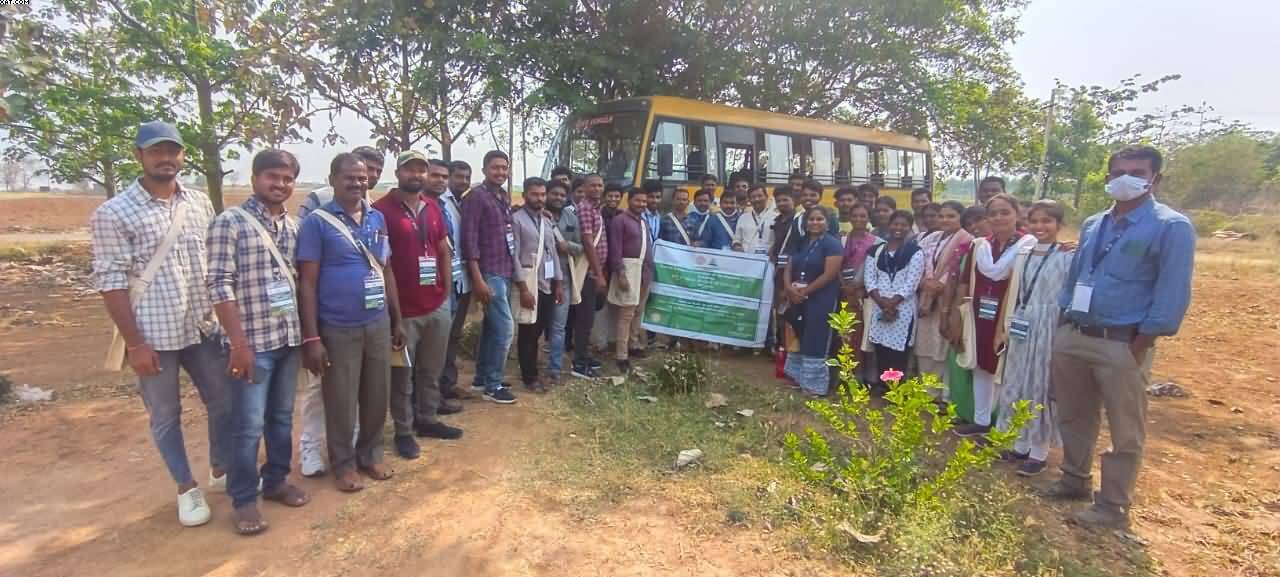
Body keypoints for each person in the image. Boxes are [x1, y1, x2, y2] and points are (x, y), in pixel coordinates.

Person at [1043, 146, 1195, 529]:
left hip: (1123, 342)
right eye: (1118, 172)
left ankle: (1112, 506)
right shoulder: (1095, 223)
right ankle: (1073, 480)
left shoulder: (1170, 226)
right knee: (1074, 414)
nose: (1125, 178)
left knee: (1125, 429)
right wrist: (1063, 324)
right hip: (1076, 333)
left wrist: (1141, 343)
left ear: (1155, 178)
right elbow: (1075, 277)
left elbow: (1172, 290)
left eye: (1136, 172)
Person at [91, 121, 231, 527]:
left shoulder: (199, 203)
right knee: (165, 414)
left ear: (182, 155)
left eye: (172, 151)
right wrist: (135, 344)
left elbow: (212, 263)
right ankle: (186, 488)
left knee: (224, 401)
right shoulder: (113, 213)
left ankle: (221, 468)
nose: (165, 159)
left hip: (202, 326)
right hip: (154, 333)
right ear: (139, 155)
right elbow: (111, 282)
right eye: (156, 151)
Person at [207, 149, 311, 535]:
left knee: (281, 418)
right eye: (272, 177)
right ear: (254, 179)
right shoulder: (230, 222)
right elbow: (219, 284)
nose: (280, 184)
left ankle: (276, 480)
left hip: (288, 339)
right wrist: (238, 344)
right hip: (252, 344)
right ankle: (244, 498)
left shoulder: (295, 226)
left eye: (287, 179)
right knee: (248, 425)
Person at [297, 152, 401, 493]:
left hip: (377, 322)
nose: (357, 183)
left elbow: (386, 269)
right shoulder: (317, 223)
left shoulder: (376, 218)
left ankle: (370, 454)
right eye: (349, 178)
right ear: (333, 180)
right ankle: (343, 465)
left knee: (376, 394)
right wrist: (312, 338)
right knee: (340, 399)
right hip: (337, 326)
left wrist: (396, 318)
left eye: (362, 178)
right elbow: (307, 283)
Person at [372, 153, 463, 455]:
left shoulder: (432, 207)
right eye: (409, 169)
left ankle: (427, 419)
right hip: (404, 311)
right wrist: (395, 315)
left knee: (431, 369)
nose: (416, 174)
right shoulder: (380, 211)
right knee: (402, 375)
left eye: (421, 170)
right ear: (398, 172)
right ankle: (403, 430)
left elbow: (443, 250)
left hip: (436, 304)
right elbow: (382, 265)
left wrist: (445, 290)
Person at [992, 200, 1073, 477]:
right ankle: (1019, 444)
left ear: (1059, 224)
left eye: (1047, 221)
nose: (1040, 226)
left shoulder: (1067, 256)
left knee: (1039, 385)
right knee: (1016, 383)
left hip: (1048, 327)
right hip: (1021, 323)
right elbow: (1013, 291)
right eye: (1034, 221)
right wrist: (1002, 327)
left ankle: (1039, 452)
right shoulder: (1023, 253)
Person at [951, 194, 1035, 438]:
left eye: (1005, 212)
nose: (999, 218)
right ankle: (982, 421)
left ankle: (1007, 429)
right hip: (980, 316)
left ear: (1017, 214)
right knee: (981, 366)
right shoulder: (980, 246)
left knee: (1008, 371)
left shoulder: (1028, 247)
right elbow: (964, 283)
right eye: (993, 213)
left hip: (1011, 317)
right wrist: (958, 317)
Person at [461, 150, 520, 404]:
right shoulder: (476, 197)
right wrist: (477, 278)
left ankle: (482, 378)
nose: (500, 172)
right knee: (505, 330)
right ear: (484, 170)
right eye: (495, 167)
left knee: (492, 328)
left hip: (504, 269)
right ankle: (493, 386)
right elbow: (469, 238)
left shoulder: (502, 196)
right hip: (488, 272)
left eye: (504, 168)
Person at [781, 206, 844, 397]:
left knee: (816, 338)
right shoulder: (800, 242)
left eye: (819, 219)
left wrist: (804, 292)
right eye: (811, 219)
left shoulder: (833, 244)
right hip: (797, 298)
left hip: (821, 299)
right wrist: (789, 288)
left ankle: (814, 386)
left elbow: (829, 274)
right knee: (798, 335)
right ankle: (797, 378)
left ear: (828, 222)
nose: (815, 223)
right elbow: (788, 267)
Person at [511, 177, 564, 392]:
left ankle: (532, 369)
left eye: (542, 194)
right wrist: (523, 288)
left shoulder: (547, 221)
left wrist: (559, 283)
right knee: (528, 331)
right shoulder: (516, 220)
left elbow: (554, 253)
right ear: (525, 195)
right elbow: (514, 256)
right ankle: (530, 377)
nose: (539, 198)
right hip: (529, 283)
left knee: (540, 328)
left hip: (547, 283)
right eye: (535, 194)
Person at [863, 210, 925, 392]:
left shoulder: (915, 252)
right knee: (881, 348)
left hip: (903, 308)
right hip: (878, 305)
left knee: (899, 352)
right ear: (889, 225)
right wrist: (882, 302)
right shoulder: (875, 251)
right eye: (895, 224)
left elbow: (912, 282)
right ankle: (884, 386)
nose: (899, 228)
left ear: (909, 227)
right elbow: (869, 279)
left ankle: (896, 390)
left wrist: (893, 302)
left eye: (904, 225)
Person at [914, 201, 971, 387]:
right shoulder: (932, 237)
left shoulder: (967, 239)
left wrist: (941, 284)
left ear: (961, 217)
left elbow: (960, 268)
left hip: (949, 298)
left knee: (943, 342)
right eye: (942, 216)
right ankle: (926, 391)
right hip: (926, 297)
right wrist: (925, 281)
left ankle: (943, 393)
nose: (945, 220)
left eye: (951, 216)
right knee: (925, 344)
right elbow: (918, 259)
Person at [940, 205, 989, 422]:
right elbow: (954, 282)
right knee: (959, 359)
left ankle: (985, 417)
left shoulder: (1014, 247)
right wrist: (948, 314)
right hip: (962, 311)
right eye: (969, 224)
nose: (975, 227)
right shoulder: (965, 249)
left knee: (984, 367)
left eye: (979, 220)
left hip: (989, 315)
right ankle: (963, 412)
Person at [438, 160, 477, 402]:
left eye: (466, 177)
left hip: (462, 279)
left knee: (453, 335)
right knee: (440, 337)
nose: (463, 181)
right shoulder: (440, 204)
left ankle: (448, 384)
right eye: (458, 176)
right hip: (445, 280)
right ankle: (434, 391)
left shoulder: (462, 203)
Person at [608, 187, 654, 373]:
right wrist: (620, 273)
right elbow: (615, 249)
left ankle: (633, 344)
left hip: (644, 272)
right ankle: (621, 355)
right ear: (629, 200)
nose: (641, 204)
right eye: (638, 201)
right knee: (626, 315)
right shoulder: (620, 221)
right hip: (628, 271)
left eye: (644, 201)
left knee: (638, 311)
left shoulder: (643, 222)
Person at [571, 173, 609, 378]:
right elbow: (587, 241)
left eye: (600, 185)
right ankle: (579, 363)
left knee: (590, 314)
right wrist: (598, 272)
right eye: (592, 185)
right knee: (584, 318)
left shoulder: (596, 209)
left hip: (595, 270)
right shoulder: (585, 208)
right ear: (584, 188)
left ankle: (584, 355)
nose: (597, 189)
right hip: (588, 271)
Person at [839, 203, 882, 383]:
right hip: (843, 293)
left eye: (862, 216)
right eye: (855, 216)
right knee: (846, 335)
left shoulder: (878, 243)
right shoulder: (841, 240)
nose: (858, 219)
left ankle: (866, 377)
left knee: (865, 336)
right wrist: (844, 285)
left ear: (868, 218)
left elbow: (878, 271)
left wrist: (859, 286)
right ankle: (847, 375)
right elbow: (836, 265)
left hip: (865, 296)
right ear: (849, 218)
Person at [546, 180, 582, 385]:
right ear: (547, 194)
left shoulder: (571, 218)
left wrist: (567, 246)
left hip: (565, 278)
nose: (558, 198)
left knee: (559, 326)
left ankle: (554, 368)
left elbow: (580, 247)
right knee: (536, 325)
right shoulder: (539, 215)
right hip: (540, 278)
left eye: (562, 195)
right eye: (554, 194)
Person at [297, 146, 384, 219]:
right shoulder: (318, 198)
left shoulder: (373, 209)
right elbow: (300, 231)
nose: (375, 175)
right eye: (370, 169)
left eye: (379, 171)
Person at [733, 184, 776, 255]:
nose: (756, 199)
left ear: (766, 197)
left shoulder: (775, 217)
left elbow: (778, 241)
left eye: (760, 196)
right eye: (753, 197)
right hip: (746, 257)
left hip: (767, 258)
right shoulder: (743, 218)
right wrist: (737, 246)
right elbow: (737, 239)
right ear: (749, 199)